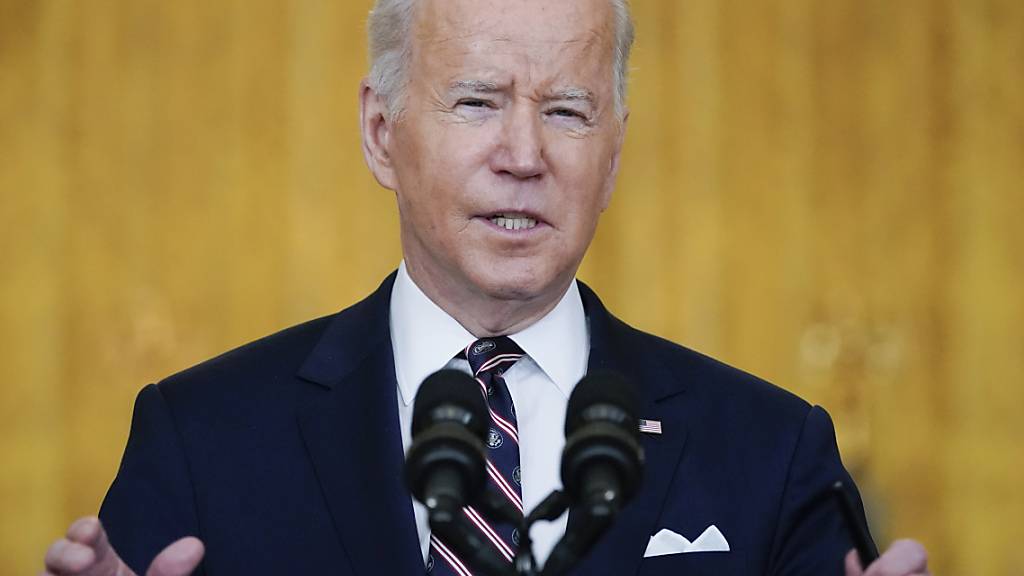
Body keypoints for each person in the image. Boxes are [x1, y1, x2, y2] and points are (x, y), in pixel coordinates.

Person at [41, 0, 931, 575]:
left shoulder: (772, 451)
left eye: (567, 110)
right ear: (382, 133)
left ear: (613, 155)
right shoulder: (203, 439)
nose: (524, 155)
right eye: (476, 101)